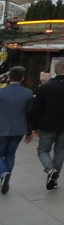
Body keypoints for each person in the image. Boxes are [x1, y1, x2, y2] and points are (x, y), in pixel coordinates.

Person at [29, 61, 64, 190]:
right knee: (59, 151)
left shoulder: (44, 88)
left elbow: (36, 108)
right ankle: (53, 178)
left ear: (55, 70)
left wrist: (34, 126)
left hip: (47, 125)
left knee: (42, 150)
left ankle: (50, 170)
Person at [0, 66, 35, 195]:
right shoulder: (28, 93)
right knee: (10, 153)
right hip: (19, 129)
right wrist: (30, 131)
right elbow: (29, 114)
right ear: (22, 78)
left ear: (9, 77)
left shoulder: (1, 93)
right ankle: (6, 176)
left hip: (1, 128)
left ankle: (4, 173)